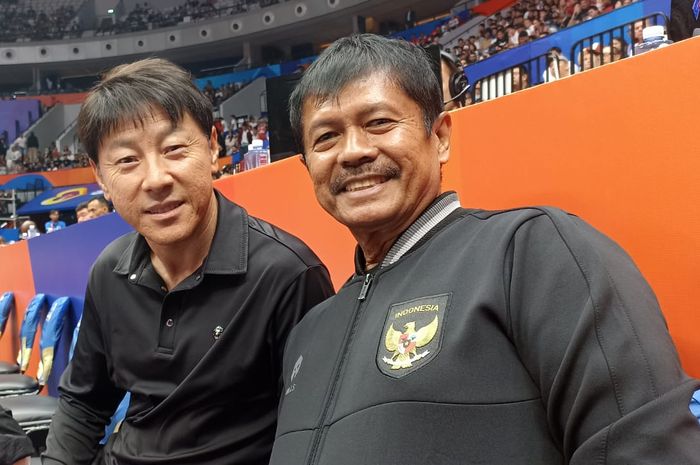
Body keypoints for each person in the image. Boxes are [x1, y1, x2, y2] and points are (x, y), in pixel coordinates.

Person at [269, 34, 700, 465]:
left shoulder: (534, 252)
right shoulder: (308, 332)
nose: (354, 151)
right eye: (326, 137)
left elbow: (647, 447)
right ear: (308, 166)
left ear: (439, 137)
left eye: (379, 122)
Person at [43, 58, 334, 465]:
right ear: (100, 177)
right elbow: (84, 403)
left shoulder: (287, 274)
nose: (156, 178)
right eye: (127, 161)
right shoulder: (109, 270)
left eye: (174, 149)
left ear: (213, 146)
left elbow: (312, 431)